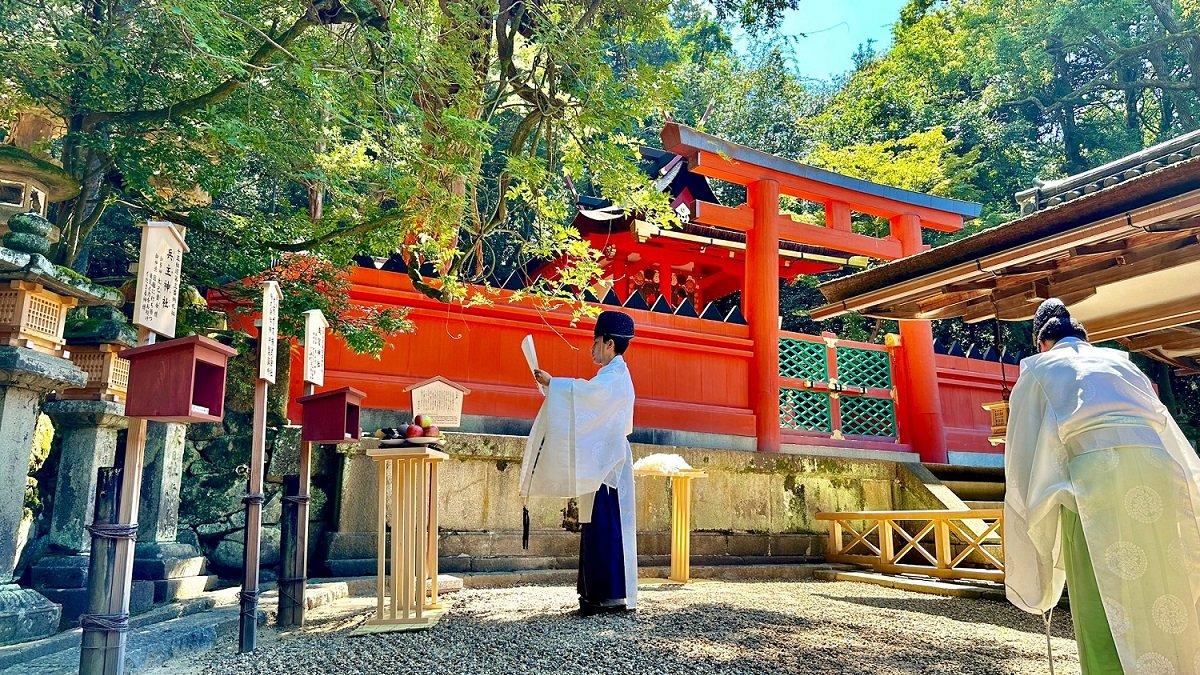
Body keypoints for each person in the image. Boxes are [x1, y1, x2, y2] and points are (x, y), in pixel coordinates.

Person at [1004, 298, 1200, 673]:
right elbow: (1164, 426)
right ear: (1084, 338)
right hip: (1157, 472)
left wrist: (1032, 519)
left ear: (1042, 342)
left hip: (1095, 480)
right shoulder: (1122, 365)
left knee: (1103, 598)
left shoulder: (1040, 368)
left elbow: (1024, 455)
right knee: (1162, 584)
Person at [519, 310, 638, 616]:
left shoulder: (613, 377)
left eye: (596, 341)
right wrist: (555, 387)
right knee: (595, 525)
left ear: (609, 343)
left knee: (604, 525)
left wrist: (554, 383)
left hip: (607, 463)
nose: (592, 347)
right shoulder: (612, 375)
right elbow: (586, 400)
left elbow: (585, 395)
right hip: (600, 460)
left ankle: (608, 594)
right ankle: (594, 592)